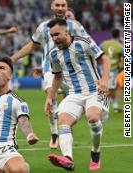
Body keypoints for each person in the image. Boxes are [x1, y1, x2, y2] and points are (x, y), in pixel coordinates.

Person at [10, 0, 92, 149]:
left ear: (66, 7)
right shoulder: (43, 27)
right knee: (51, 96)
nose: (60, 8)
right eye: (57, 5)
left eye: (63, 5)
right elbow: (32, 45)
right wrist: (13, 58)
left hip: (72, 71)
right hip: (49, 69)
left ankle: (65, 127)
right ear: (52, 7)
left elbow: (89, 45)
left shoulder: (75, 26)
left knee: (69, 102)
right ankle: (55, 133)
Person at [44, 18, 110, 171]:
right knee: (63, 121)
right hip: (74, 94)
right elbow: (58, 77)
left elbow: (105, 60)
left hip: (95, 91)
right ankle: (68, 158)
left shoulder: (84, 42)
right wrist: (49, 97)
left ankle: (95, 152)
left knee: (93, 118)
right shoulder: (54, 54)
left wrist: (105, 80)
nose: (54, 39)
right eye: (51, 36)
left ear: (66, 31)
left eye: (57, 35)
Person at [100, 29, 124, 113]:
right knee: (109, 90)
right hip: (112, 71)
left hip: (103, 70)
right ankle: (103, 108)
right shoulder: (119, 46)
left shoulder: (104, 43)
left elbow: (97, 53)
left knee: (112, 89)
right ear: (119, 34)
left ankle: (115, 107)